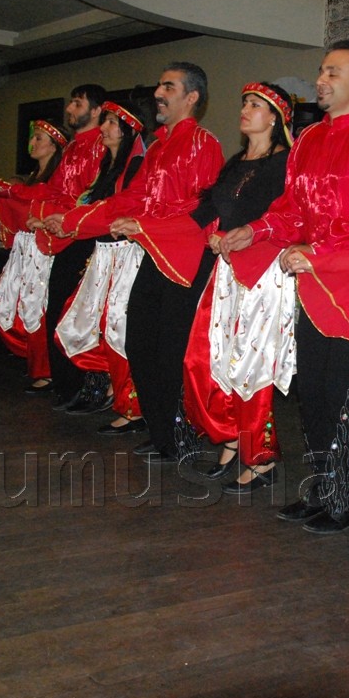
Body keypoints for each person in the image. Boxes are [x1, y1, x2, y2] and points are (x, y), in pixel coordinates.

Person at [219, 40, 349, 533]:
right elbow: (290, 212)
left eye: (333, 73)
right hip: (311, 283)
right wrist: (255, 230)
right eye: (321, 71)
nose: (321, 80)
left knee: (348, 393)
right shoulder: (306, 141)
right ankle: (325, 488)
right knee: (315, 393)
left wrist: (320, 254)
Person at [46, 63, 223, 462]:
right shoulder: (158, 146)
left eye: (168, 86)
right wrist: (74, 220)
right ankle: (163, 436)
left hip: (183, 261)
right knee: (140, 344)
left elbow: (204, 208)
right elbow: (129, 200)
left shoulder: (203, 143)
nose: (159, 93)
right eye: (160, 85)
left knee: (170, 354)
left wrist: (145, 223)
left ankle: (179, 438)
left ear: (192, 97)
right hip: (153, 255)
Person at [182, 82, 295, 494]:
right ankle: (232, 441)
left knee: (253, 366)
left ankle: (260, 458)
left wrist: (239, 236)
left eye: (255, 105)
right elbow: (206, 211)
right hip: (227, 271)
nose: (245, 110)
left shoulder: (286, 163)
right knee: (211, 358)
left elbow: (288, 218)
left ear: (276, 117)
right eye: (244, 102)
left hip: (264, 274)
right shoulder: (235, 163)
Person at [0, 84, 109, 411]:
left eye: (78, 103)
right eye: (71, 102)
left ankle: (84, 387)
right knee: (56, 311)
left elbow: (88, 198)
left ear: (95, 110)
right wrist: (11, 192)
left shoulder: (100, 147)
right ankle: (67, 385)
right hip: (61, 235)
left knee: (76, 314)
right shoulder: (71, 150)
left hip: (84, 237)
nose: (70, 108)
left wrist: (22, 198)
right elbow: (49, 193)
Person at [52, 101, 147, 423]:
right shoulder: (107, 167)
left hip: (125, 255)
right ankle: (102, 386)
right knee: (87, 322)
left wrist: (71, 220)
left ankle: (129, 405)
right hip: (103, 254)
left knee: (117, 327)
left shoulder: (135, 166)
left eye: (110, 123)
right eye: (104, 121)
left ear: (127, 128)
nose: (103, 129)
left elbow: (118, 209)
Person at [0, 120, 67, 393]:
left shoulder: (55, 181)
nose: (33, 143)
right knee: (12, 305)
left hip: (42, 250)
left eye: (40, 138)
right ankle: (36, 363)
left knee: (37, 308)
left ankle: (46, 370)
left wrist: (4, 194)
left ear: (54, 145)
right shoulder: (32, 178)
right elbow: (19, 216)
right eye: (33, 138)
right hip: (25, 249)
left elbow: (37, 209)